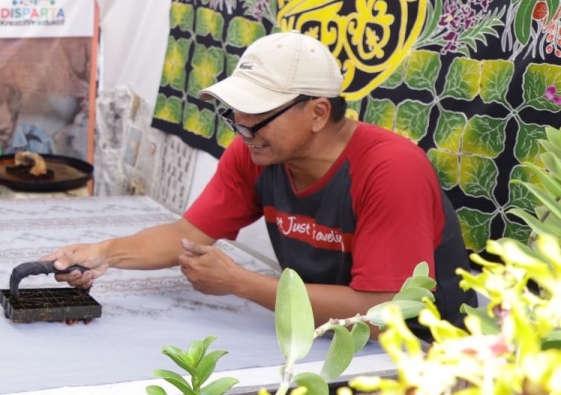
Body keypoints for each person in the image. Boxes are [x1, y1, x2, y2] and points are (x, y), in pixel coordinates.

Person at [45, 31, 475, 328]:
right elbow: (185, 236)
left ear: (318, 113)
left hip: (418, 353)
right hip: (320, 333)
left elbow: (385, 313)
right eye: (236, 112)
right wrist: (105, 254)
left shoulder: (391, 169)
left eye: (257, 114)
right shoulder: (256, 151)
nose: (242, 127)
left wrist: (241, 283)